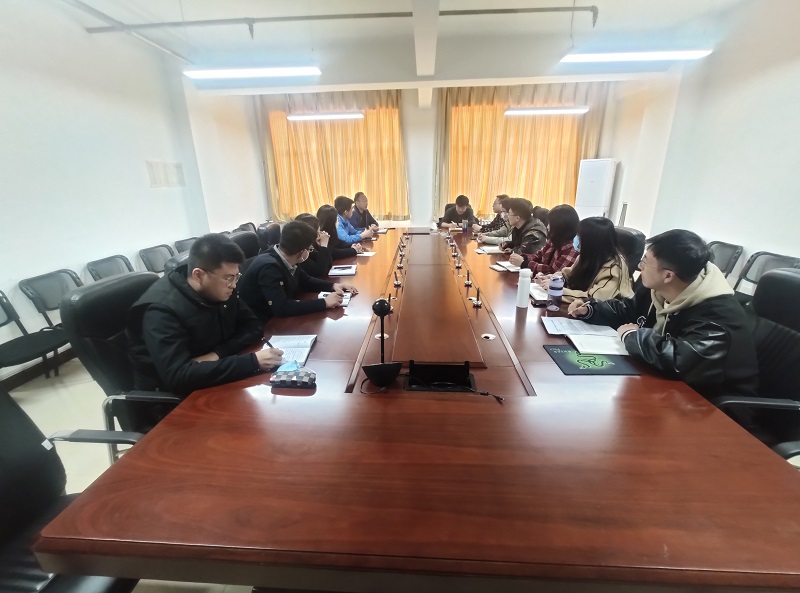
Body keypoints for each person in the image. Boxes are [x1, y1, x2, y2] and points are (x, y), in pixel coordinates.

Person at [567, 229, 758, 399]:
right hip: (668, 388)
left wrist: (633, 336)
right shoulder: (658, 289)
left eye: (645, 262)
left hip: (715, 406)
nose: (640, 267)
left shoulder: (718, 314)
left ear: (668, 275)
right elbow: (626, 310)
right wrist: (591, 309)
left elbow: (681, 360)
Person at [127, 233, 283, 398]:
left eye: (236, 277)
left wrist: (217, 354)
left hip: (212, 376)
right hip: (174, 400)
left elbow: (254, 326)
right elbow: (178, 376)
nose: (233, 285)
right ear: (198, 275)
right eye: (229, 278)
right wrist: (252, 362)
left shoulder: (221, 288)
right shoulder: (161, 311)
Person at [238, 221, 359, 323]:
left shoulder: (286, 255)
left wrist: (333, 286)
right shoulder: (269, 268)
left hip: (276, 318)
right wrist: (324, 303)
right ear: (302, 252)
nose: (310, 251)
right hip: (264, 324)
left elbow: (305, 280)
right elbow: (281, 307)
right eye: (310, 249)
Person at [535, 216, 632, 303]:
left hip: (608, 315)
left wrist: (557, 289)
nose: (576, 240)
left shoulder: (614, 267)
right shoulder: (588, 255)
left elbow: (593, 299)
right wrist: (550, 279)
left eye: (580, 237)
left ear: (591, 242)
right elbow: (570, 274)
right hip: (581, 310)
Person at [509, 204, 579, 274]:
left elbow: (553, 272)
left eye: (550, 224)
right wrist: (524, 258)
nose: (547, 227)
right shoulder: (554, 240)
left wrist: (524, 264)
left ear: (559, 227)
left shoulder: (573, 249)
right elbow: (538, 255)